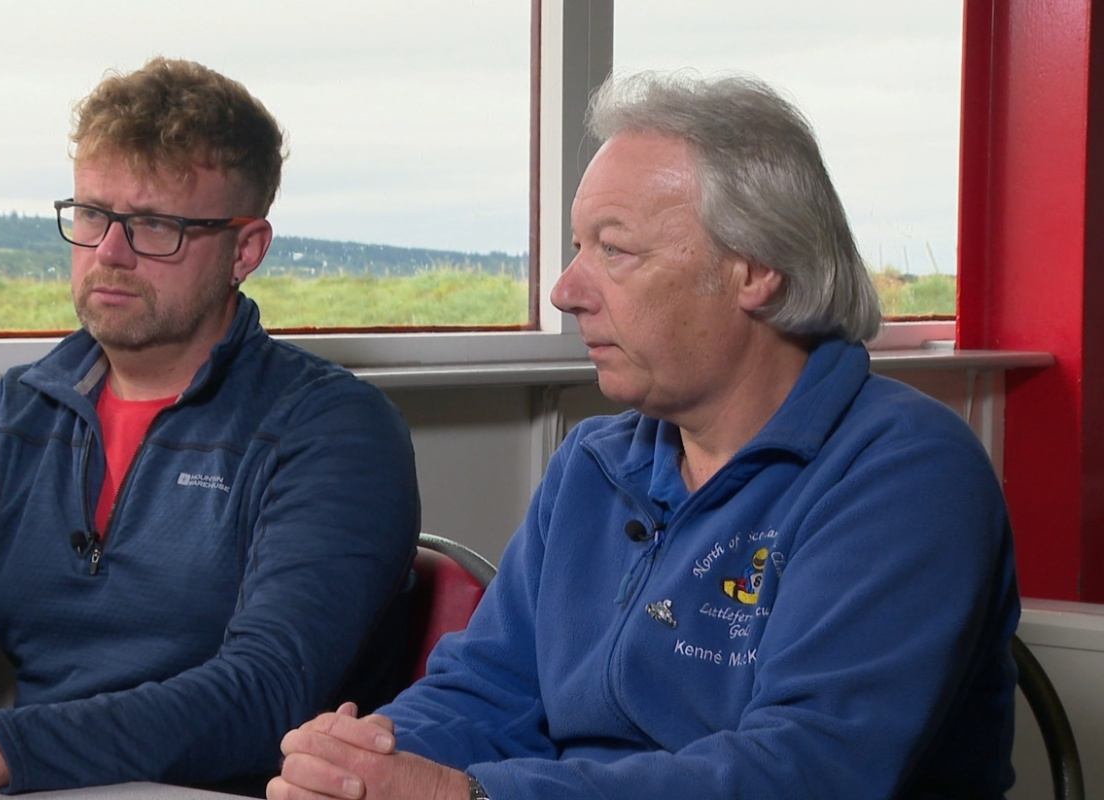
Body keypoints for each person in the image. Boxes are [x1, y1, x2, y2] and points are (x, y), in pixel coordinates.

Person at [269, 72, 1020, 800]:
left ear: (755, 269)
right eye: (576, 247)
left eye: (614, 250)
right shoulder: (592, 465)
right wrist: (362, 763)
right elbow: (488, 690)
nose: (566, 290)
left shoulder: (905, 473)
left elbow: (805, 772)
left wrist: (470, 797)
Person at [0, 57, 420, 800]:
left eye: (154, 226)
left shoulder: (336, 431)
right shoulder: (9, 422)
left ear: (245, 250)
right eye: (90, 214)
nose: (108, 254)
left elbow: (266, 695)